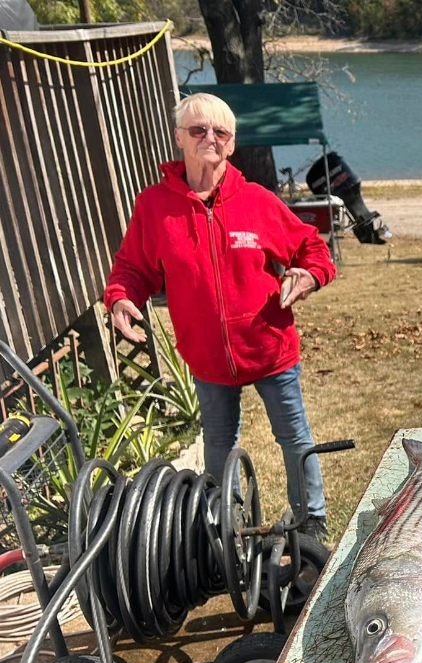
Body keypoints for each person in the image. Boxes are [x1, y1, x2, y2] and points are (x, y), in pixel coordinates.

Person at [103, 93, 336, 540]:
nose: (209, 138)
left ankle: (312, 524)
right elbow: (133, 268)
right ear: (179, 139)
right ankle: (224, 530)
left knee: (294, 439)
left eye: (220, 132)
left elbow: (312, 246)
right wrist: (120, 297)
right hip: (207, 357)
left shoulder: (257, 201)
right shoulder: (155, 206)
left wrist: (307, 275)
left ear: (231, 144)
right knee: (218, 447)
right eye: (198, 130)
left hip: (270, 349)